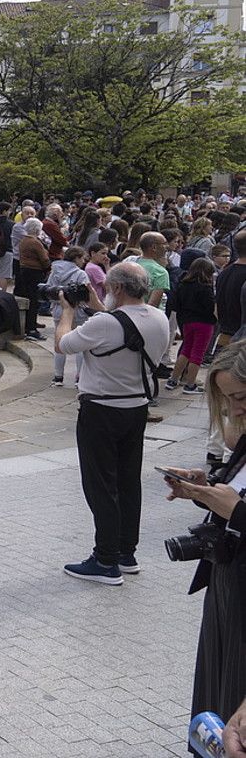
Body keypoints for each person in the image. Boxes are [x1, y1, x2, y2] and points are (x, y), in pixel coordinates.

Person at [56, 261, 170, 584]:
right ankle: (125, 552)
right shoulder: (158, 317)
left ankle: (105, 560)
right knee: (127, 481)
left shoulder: (105, 324)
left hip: (101, 410)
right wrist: (96, 304)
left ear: (117, 289)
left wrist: (67, 311)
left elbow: (62, 344)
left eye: (108, 287)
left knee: (101, 485)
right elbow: (118, 330)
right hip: (136, 408)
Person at [162, 345, 246, 735]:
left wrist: (238, 512)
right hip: (227, 585)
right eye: (227, 400)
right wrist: (205, 490)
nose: (235, 409)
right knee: (216, 696)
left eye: (240, 397)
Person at [167, 257, 218, 394]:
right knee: (198, 353)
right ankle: (190, 384)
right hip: (204, 323)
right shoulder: (205, 288)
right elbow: (210, 308)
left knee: (186, 350)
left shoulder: (183, 284)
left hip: (186, 322)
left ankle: (173, 379)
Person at [47, 246, 92, 387]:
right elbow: (86, 295)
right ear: (77, 258)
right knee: (80, 344)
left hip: (59, 309)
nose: (83, 262)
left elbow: (48, 289)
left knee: (59, 343)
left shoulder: (55, 270)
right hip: (77, 310)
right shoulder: (80, 274)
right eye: (82, 259)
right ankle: (79, 377)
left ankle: (58, 376)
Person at [15, 218, 51, 340]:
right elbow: (44, 259)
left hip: (25, 270)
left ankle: (30, 324)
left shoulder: (23, 241)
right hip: (34, 271)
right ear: (37, 229)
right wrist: (48, 268)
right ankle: (31, 328)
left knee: (29, 298)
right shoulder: (35, 242)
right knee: (33, 300)